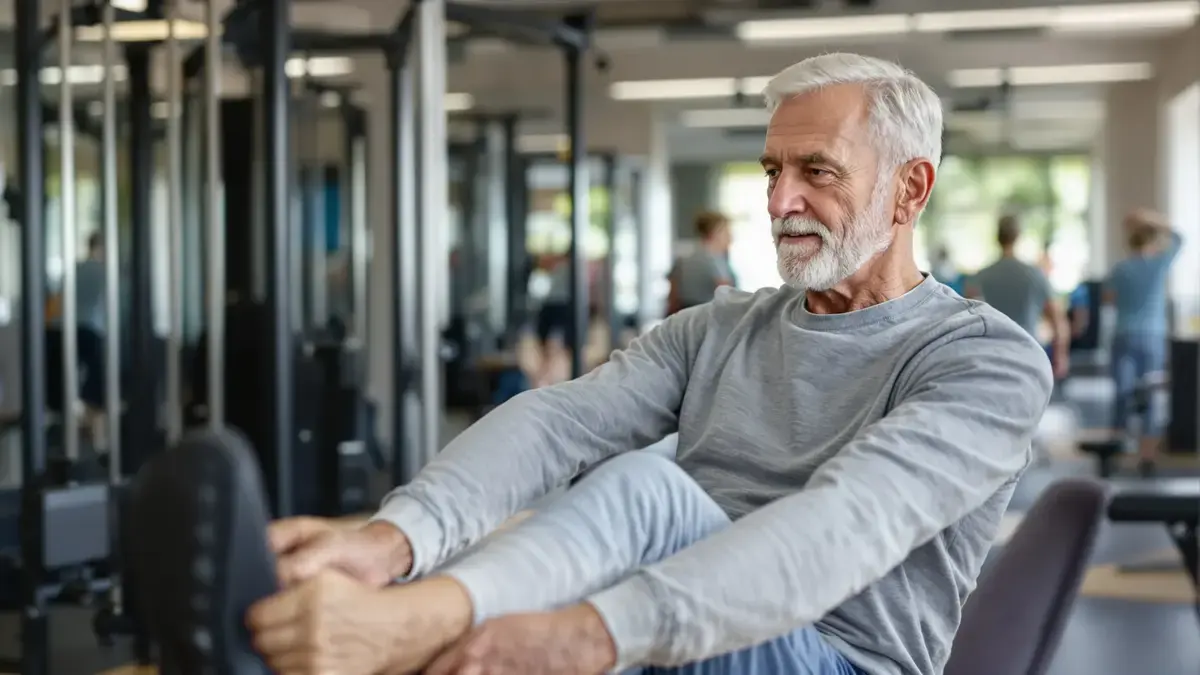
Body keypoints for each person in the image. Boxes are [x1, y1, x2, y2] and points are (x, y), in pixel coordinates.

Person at [249, 54, 1052, 675]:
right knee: (513, 543)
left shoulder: (984, 361)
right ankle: (332, 620)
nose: (778, 202)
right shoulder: (721, 327)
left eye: (817, 171)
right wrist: (395, 539)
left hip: (834, 657)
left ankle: (395, 630)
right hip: (678, 635)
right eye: (773, 171)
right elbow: (560, 421)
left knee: (645, 497)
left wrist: (583, 632)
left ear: (910, 190)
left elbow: (840, 526)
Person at [1103, 208, 1183, 475]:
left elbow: (1108, 300)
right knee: (1150, 395)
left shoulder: (1120, 268)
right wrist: (1147, 218)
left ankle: (1114, 453)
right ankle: (1146, 456)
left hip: (1123, 334)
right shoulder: (1159, 264)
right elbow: (1180, 238)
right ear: (1151, 240)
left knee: (1122, 394)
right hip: (1152, 337)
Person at [965, 216, 1070, 380]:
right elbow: (1057, 319)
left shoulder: (981, 276)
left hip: (994, 353)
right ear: (1018, 236)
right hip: (1028, 351)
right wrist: (1060, 355)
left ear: (997, 237)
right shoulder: (1034, 275)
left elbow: (967, 319)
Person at [666, 211, 736, 315]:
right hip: (708, 319)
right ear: (713, 233)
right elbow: (727, 296)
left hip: (684, 317)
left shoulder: (685, 257)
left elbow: (673, 299)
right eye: (726, 231)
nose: (730, 237)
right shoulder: (714, 260)